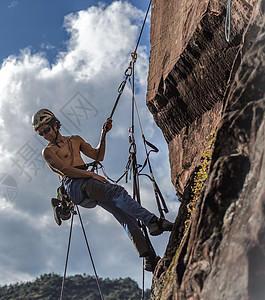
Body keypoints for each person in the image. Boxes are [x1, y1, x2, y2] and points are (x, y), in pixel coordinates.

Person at [32, 108, 173, 272]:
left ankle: (148, 257)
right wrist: (91, 175)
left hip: (86, 182)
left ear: (55, 125)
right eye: (41, 134)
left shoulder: (75, 140)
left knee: (124, 214)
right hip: (73, 185)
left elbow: (98, 155)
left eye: (46, 130)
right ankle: (153, 221)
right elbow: (65, 170)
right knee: (117, 192)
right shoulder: (48, 151)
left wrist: (103, 133)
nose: (45, 135)